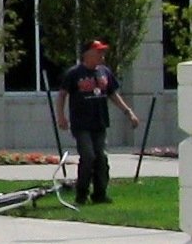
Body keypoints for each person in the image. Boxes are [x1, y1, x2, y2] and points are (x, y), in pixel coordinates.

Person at [56, 39, 141, 205]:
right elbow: (62, 95)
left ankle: (100, 194)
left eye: (103, 51)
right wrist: (61, 116)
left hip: (100, 122)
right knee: (88, 156)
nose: (102, 55)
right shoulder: (74, 73)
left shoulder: (105, 72)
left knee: (101, 157)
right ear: (87, 54)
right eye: (98, 51)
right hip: (81, 124)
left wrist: (128, 112)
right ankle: (81, 194)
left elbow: (113, 94)